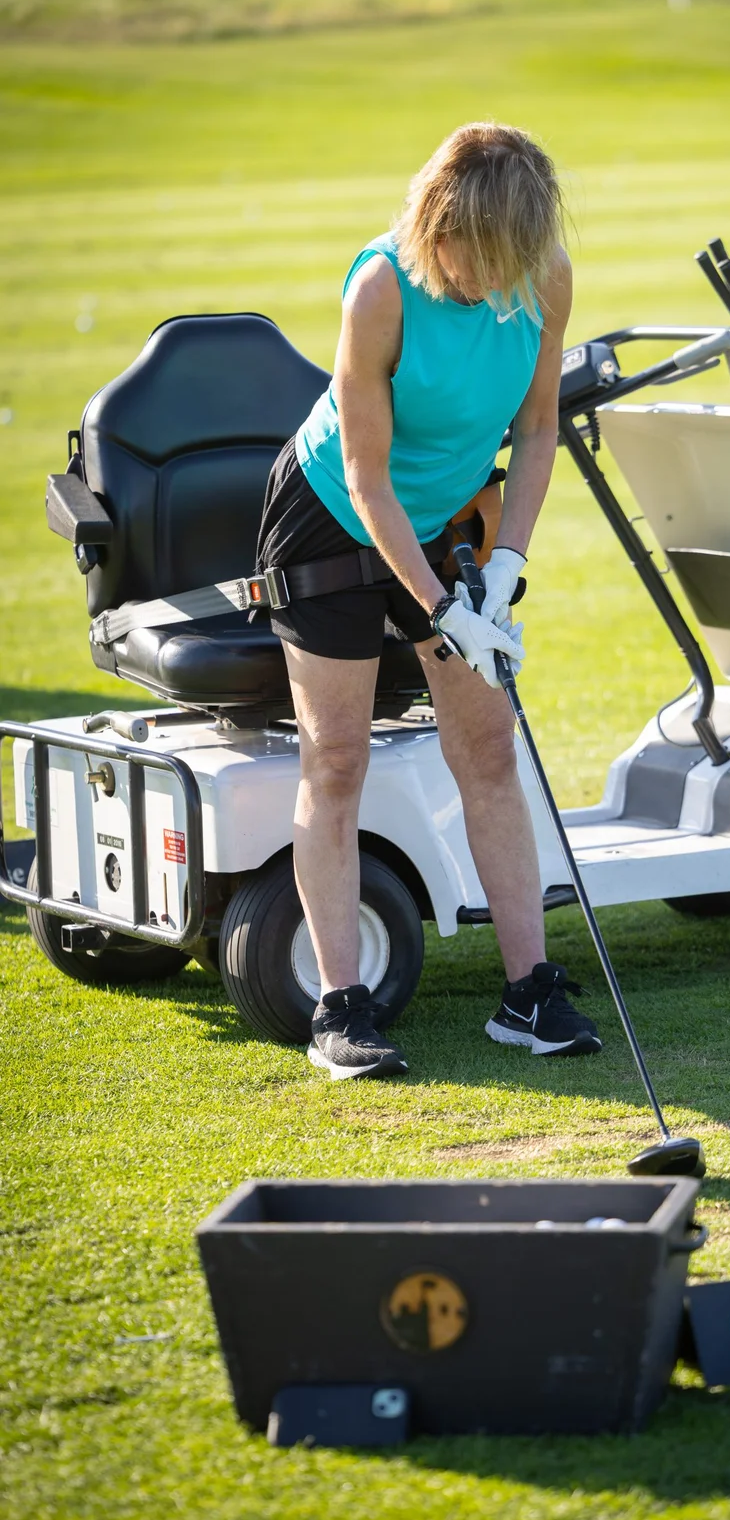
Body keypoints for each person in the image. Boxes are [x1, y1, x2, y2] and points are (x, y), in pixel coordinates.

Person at [256, 122, 602, 1081]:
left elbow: (537, 432)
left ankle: (528, 993)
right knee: (338, 755)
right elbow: (367, 483)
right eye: (478, 260)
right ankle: (341, 1007)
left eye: (510, 263)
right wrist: (445, 613)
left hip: (448, 513)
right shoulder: (381, 288)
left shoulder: (542, 277)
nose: (494, 285)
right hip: (332, 517)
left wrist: (502, 571)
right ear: (437, 223)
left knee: (487, 742)